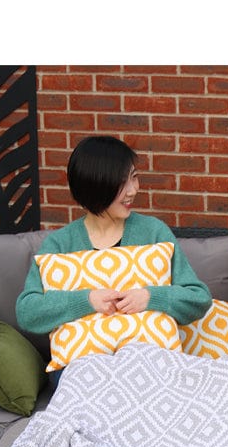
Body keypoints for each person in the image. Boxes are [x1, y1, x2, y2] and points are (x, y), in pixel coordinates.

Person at [16, 135, 212, 342]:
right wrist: (86, 301)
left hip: (147, 354)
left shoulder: (154, 232)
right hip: (84, 357)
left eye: (134, 177)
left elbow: (198, 298)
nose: (133, 189)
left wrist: (151, 297)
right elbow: (27, 312)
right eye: (121, 182)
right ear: (95, 186)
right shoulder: (60, 244)